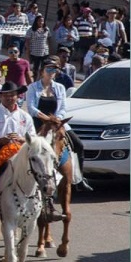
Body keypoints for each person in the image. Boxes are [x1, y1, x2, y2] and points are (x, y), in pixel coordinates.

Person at [0, 81, 48, 224]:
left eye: (12, 95)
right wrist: (2, 140)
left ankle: (46, 207)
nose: (9, 98)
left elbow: (33, 138)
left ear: (17, 97)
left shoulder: (25, 116)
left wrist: (20, 139)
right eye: (6, 95)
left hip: (21, 151)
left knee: (44, 171)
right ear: (0, 97)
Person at [26, 60, 92, 192]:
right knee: (29, 148)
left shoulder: (60, 88)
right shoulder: (33, 87)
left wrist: (57, 120)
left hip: (57, 123)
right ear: (42, 71)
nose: (52, 72)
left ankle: (79, 179)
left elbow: (62, 108)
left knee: (78, 145)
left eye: (54, 70)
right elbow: (31, 107)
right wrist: (45, 118)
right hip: (39, 123)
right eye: (49, 69)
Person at [24, 14, 51, 79]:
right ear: (36, 21)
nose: (41, 22)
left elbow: (49, 39)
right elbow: (27, 41)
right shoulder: (31, 30)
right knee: (35, 68)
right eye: (39, 21)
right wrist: (28, 51)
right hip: (35, 52)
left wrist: (50, 49)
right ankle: (35, 79)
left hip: (45, 52)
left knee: (44, 67)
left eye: (42, 21)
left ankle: (42, 80)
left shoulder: (46, 29)